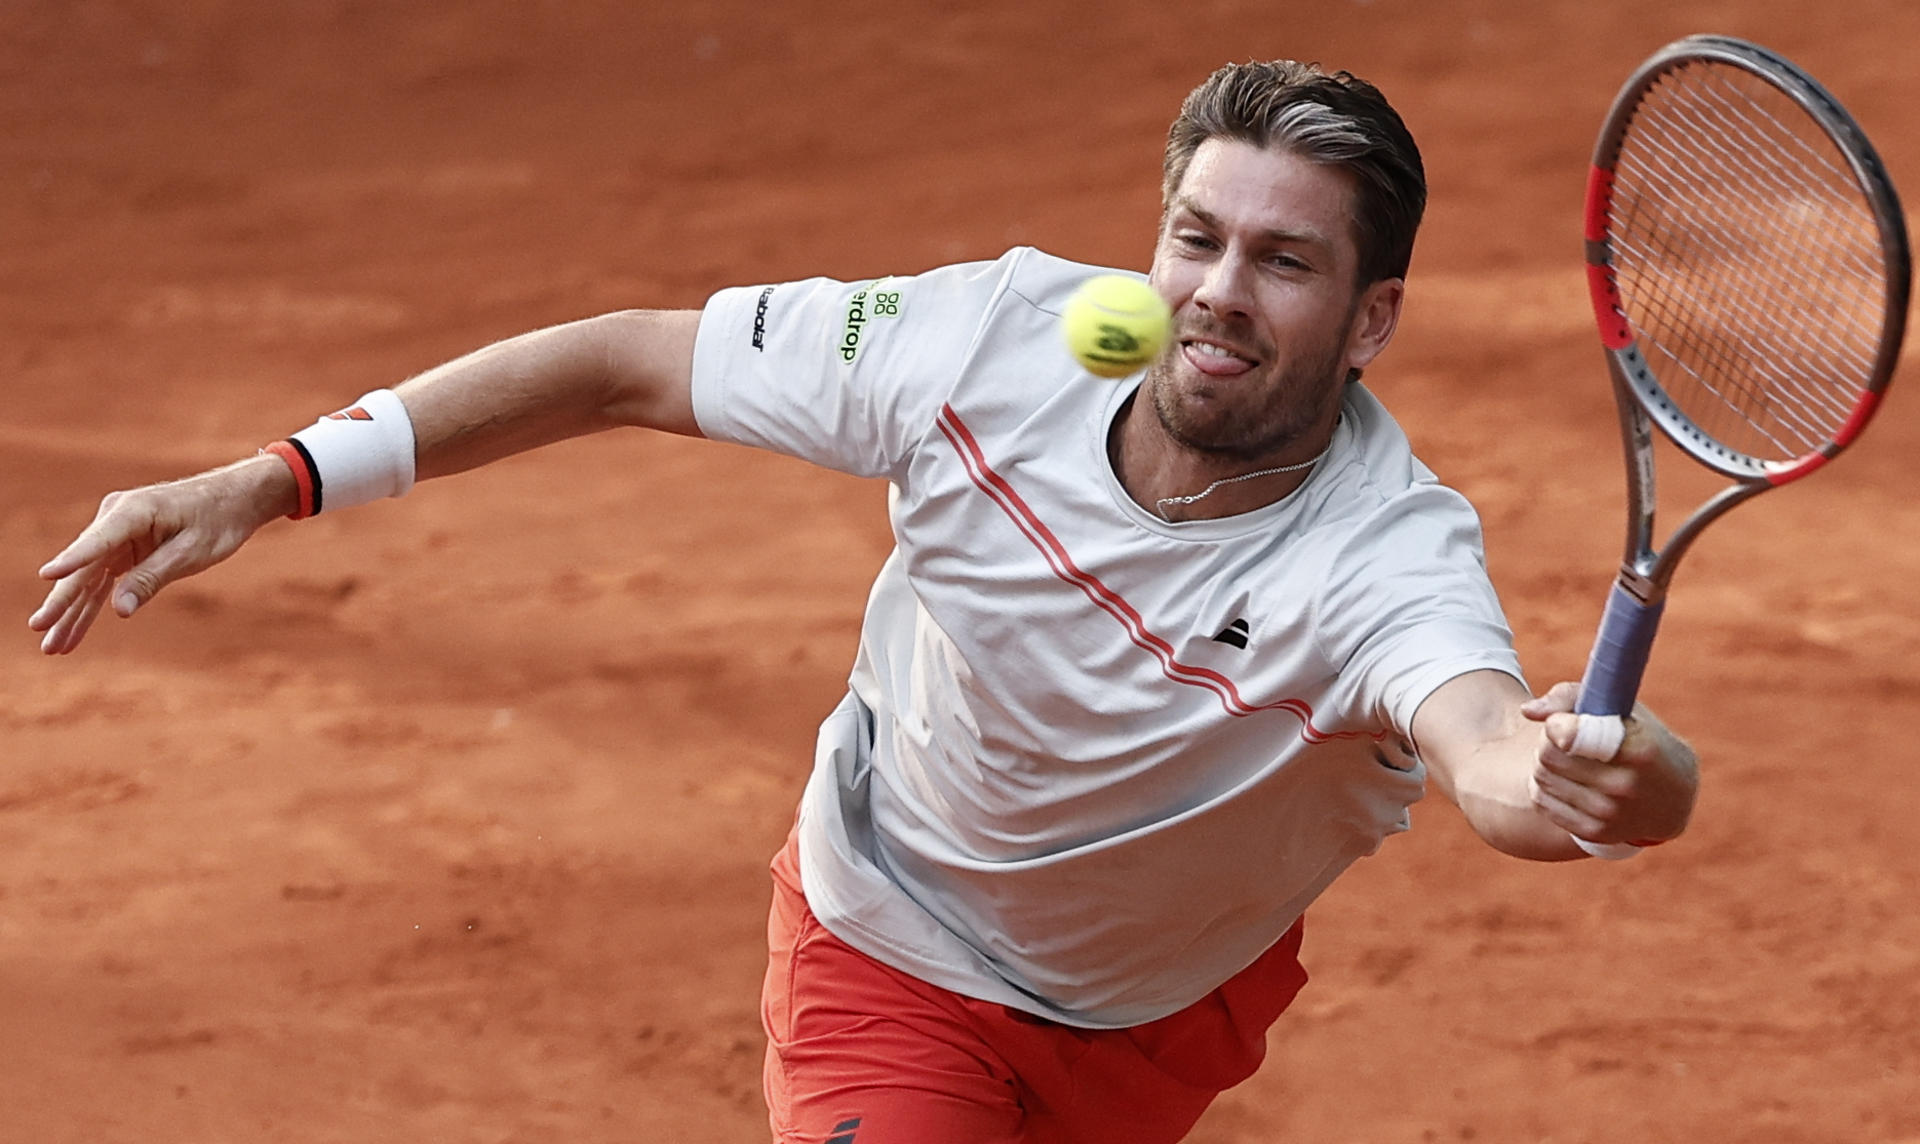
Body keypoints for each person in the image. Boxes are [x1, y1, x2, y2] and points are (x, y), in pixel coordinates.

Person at [30, 59, 1699, 1143]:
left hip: (1156, 1023)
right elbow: (621, 363)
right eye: (1195, 238)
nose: (1212, 295)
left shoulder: (1384, 553)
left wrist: (1614, 778)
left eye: (1284, 262)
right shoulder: (984, 344)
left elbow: (1492, 756)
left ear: (1373, 316)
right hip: (887, 938)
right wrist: (275, 475)